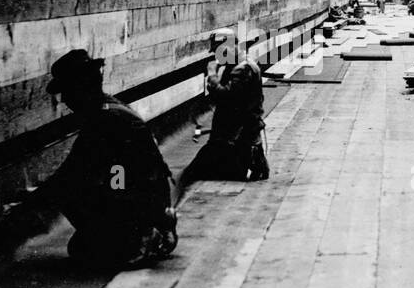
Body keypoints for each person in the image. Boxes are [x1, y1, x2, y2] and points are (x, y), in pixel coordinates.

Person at [25, 49, 178, 268]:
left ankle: (143, 237)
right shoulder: (109, 108)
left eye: (67, 92)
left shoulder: (104, 120)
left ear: (80, 88)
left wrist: (27, 204)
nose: (66, 101)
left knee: (85, 248)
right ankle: (153, 225)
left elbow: (70, 175)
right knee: (82, 246)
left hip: (140, 200)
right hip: (147, 196)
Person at [177, 28, 270, 196]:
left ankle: (252, 159)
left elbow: (227, 98)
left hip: (235, 136)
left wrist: (212, 76)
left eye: (218, 51)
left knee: (197, 173)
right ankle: (253, 160)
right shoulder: (239, 65)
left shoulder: (242, 69)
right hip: (234, 134)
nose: (216, 57)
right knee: (203, 170)